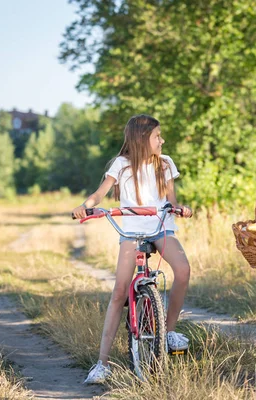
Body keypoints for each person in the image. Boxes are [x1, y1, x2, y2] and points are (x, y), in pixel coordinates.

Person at [72, 114, 193, 384]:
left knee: (183, 270)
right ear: (141, 139)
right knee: (119, 292)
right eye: (157, 136)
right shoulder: (122, 165)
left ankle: (169, 332)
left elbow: (172, 200)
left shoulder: (165, 163)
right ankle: (102, 363)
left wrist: (181, 208)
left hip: (161, 227)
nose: (162, 140)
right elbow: (100, 193)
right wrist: (85, 205)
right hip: (131, 232)